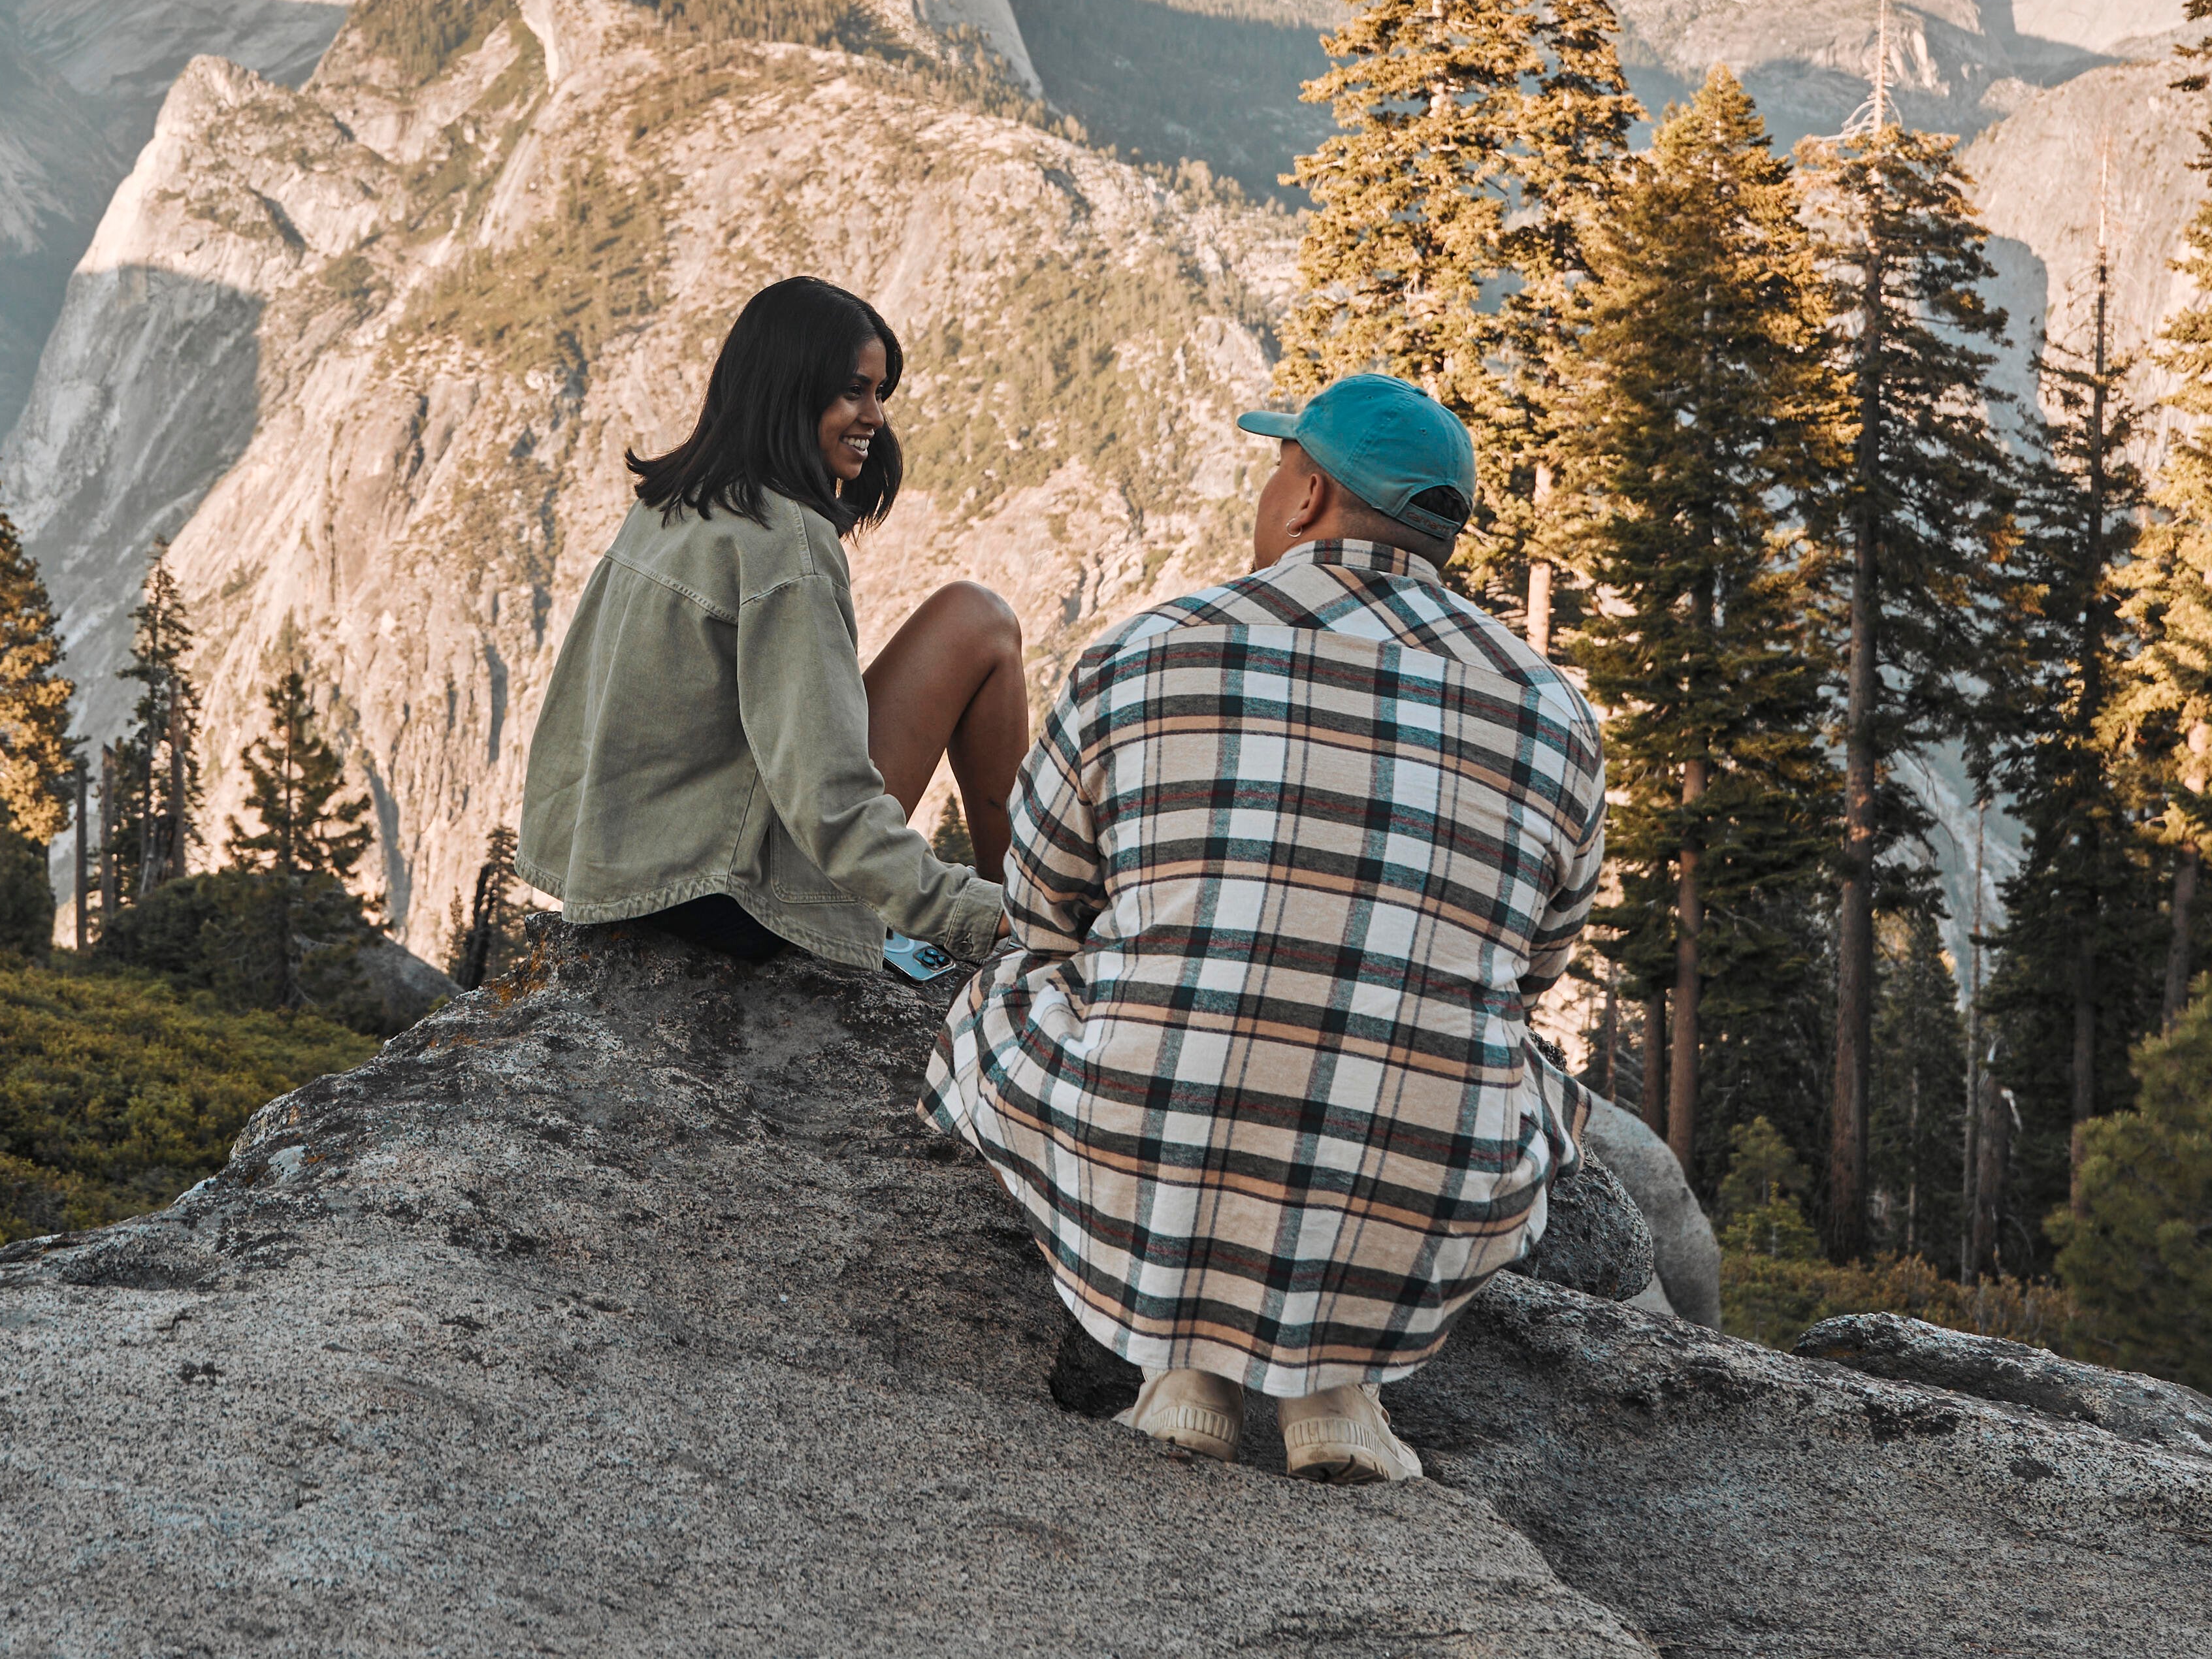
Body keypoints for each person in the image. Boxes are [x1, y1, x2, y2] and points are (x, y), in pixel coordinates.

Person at [922, 372, 1606, 1486]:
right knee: (1502, 1058)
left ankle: (1178, 1367)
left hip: (1148, 1151)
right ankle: (1333, 1390)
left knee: (1007, 992)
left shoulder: (1143, 650)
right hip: (1416, 1187)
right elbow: (1532, 967)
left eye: (1277, 464)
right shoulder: (1551, 708)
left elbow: (1040, 904)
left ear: (1306, 496)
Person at [520, 275, 1019, 971]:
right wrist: (970, 913)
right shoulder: (783, 539)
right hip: (728, 893)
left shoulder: (672, 501)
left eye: (879, 392)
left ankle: (1019, 906)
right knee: (979, 622)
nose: (874, 415)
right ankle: (1027, 914)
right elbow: (830, 801)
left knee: (971, 617)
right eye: (853, 389)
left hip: (623, 866)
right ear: (789, 387)